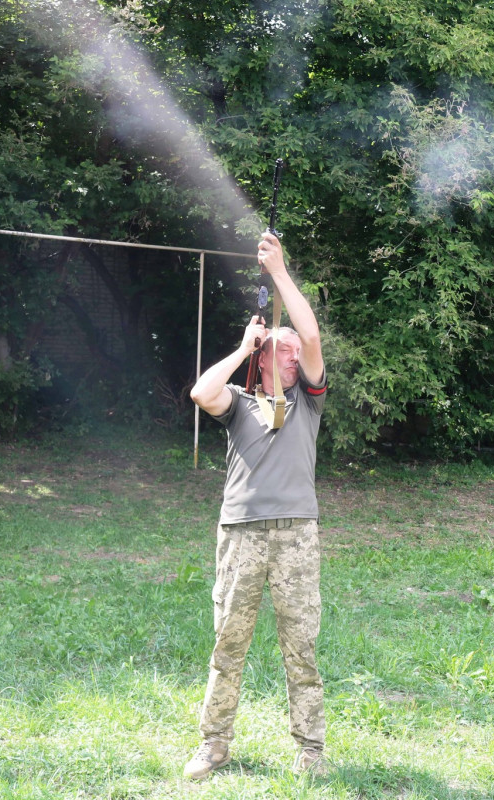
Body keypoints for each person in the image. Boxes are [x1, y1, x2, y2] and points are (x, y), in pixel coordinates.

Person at [184, 232, 328, 780]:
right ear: (266, 358)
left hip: (296, 533)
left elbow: (311, 334)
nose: (294, 357)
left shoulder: (307, 404)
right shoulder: (241, 403)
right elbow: (201, 391)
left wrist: (281, 273)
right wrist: (247, 346)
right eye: (283, 350)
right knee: (228, 645)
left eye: (296, 353)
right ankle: (214, 745)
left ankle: (311, 750)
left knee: (302, 647)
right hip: (241, 533)